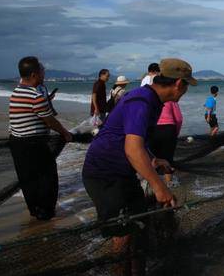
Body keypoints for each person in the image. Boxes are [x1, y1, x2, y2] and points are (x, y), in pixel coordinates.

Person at [82, 58, 196, 275]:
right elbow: (132, 150)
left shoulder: (152, 101)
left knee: (138, 228)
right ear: (179, 84)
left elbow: (137, 141)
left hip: (123, 173)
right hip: (104, 174)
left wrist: (153, 159)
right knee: (123, 236)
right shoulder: (142, 101)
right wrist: (160, 187)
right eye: (187, 87)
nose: (185, 92)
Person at [9, 56, 72, 220]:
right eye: (42, 71)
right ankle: (45, 212)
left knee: (28, 178)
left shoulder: (16, 91)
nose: (44, 74)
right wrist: (65, 133)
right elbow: (50, 120)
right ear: (34, 75)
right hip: (34, 144)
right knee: (47, 177)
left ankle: (34, 209)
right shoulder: (35, 95)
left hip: (17, 142)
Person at [150, 100, 183, 183]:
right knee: (168, 158)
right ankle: (168, 183)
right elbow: (179, 119)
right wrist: (176, 132)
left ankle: (153, 185)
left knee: (152, 158)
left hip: (153, 129)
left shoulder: (149, 99)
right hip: (168, 129)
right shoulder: (171, 99)